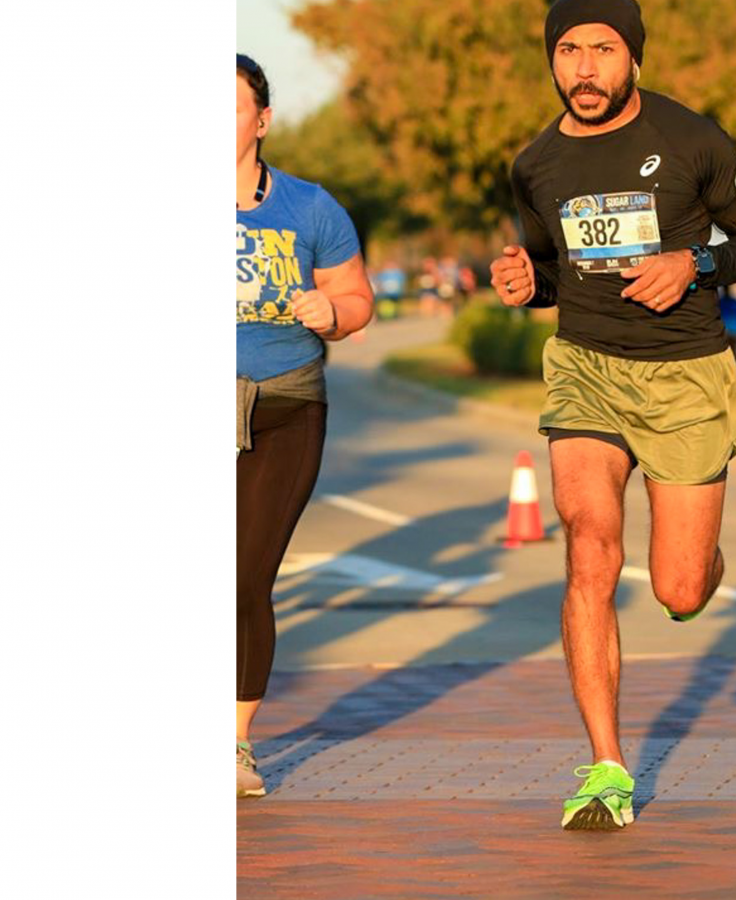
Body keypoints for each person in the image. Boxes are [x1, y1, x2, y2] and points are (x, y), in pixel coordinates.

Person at [489, 0, 736, 830]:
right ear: (553, 60)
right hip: (584, 368)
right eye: (570, 51)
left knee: (678, 588)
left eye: (603, 50)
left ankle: (702, 565)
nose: (585, 68)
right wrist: (524, 283)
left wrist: (691, 263)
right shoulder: (534, 163)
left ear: (634, 61)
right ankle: (607, 767)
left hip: (684, 375)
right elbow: (554, 270)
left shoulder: (694, 137)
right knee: (588, 544)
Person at [236, 54, 373, 798]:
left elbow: (357, 299)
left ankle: (233, 743)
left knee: (244, 575)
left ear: (261, 120)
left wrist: (335, 314)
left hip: (285, 403)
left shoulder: (310, 207)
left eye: (227, 108)